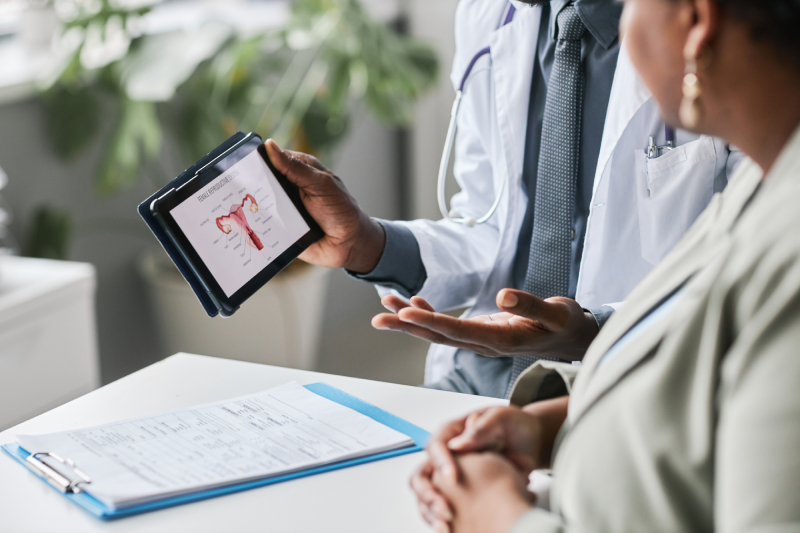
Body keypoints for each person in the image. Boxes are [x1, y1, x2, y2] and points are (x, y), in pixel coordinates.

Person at [410, 0, 800, 530]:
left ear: (696, 23)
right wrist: (550, 427)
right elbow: (703, 362)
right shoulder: (767, 176)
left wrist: (500, 519)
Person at [265, 0, 741, 399]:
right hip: (481, 379)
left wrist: (596, 330)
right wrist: (368, 243)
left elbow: (752, 273)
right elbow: (488, 224)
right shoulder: (492, 14)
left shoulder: (735, 32)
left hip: (637, 387)